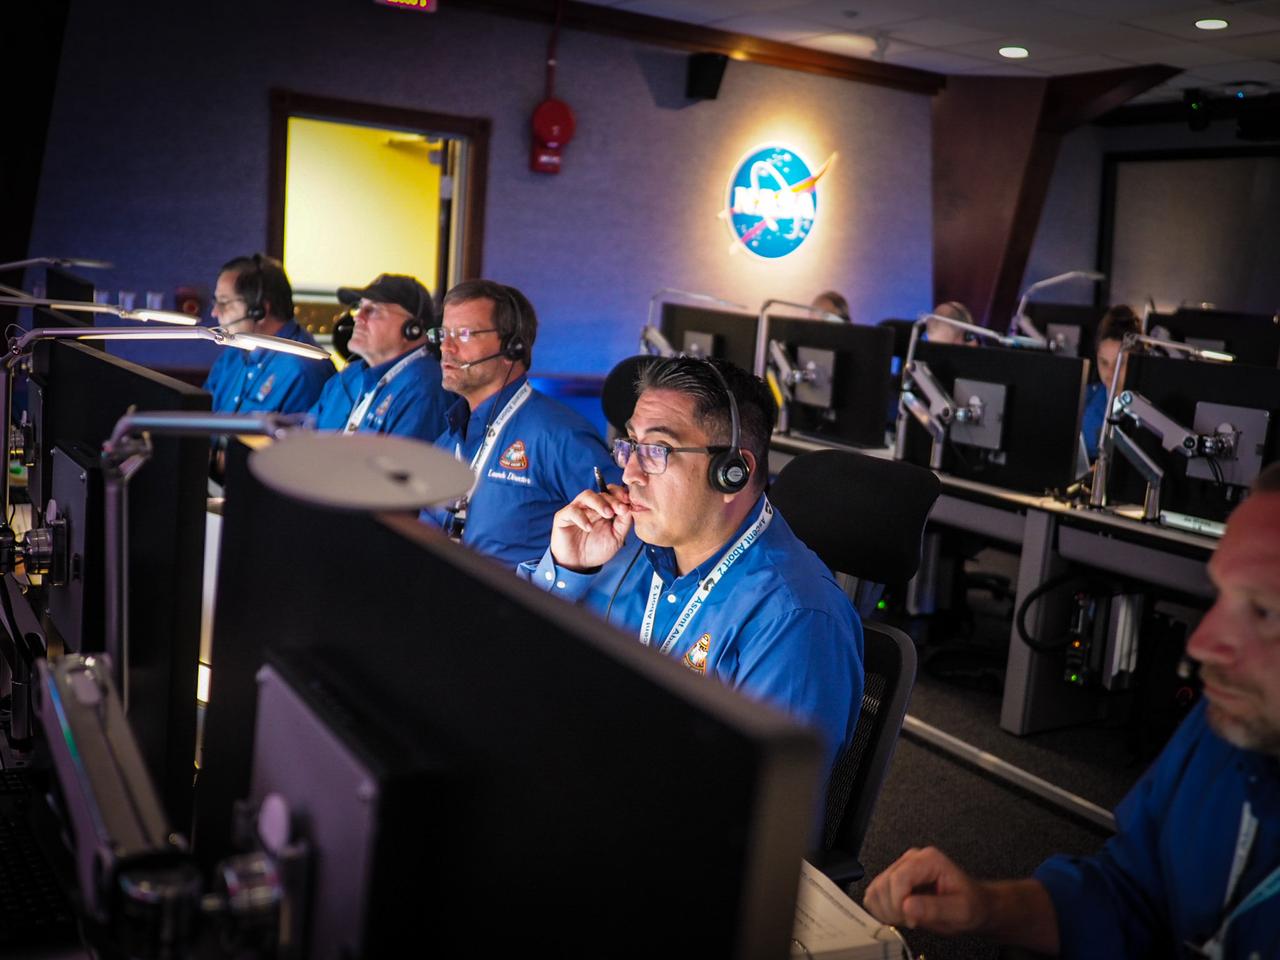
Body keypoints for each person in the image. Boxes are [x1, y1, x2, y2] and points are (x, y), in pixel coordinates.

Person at [865, 463, 1280, 959]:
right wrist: (986, 907)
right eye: (1219, 598)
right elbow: (1129, 895)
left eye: (1264, 611)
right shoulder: (1223, 733)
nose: (1202, 642)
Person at [518, 356, 864, 778]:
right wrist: (567, 570)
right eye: (631, 445)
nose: (630, 473)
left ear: (732, 473)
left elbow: (759, 804)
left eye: (656, 451)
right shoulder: (619, 549)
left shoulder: (795, 621)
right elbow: (516, 670)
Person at [420, 279, 618, 568]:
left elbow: (619, 540)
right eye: (443, 333)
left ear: (512, 348)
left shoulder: (560, 436)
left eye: (463, 333)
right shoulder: (448, 440)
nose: (446, 347)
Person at [308, 273, 451, 441]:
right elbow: (306, 431)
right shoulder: (349, 375)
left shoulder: (425, 390)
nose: (358, 317)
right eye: (359, 307)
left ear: (413, 328)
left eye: (372, 310)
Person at [203, 254, 332, 414]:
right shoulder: (233, 355)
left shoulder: (303, 370)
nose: (215, 313)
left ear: (259, 310)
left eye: (223, 302)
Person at [1081, 304, 1140, 460]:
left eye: (1120, 363)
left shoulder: (1151, 413)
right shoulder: (1084, 401)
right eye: (1104, 362)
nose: (1111, 373)